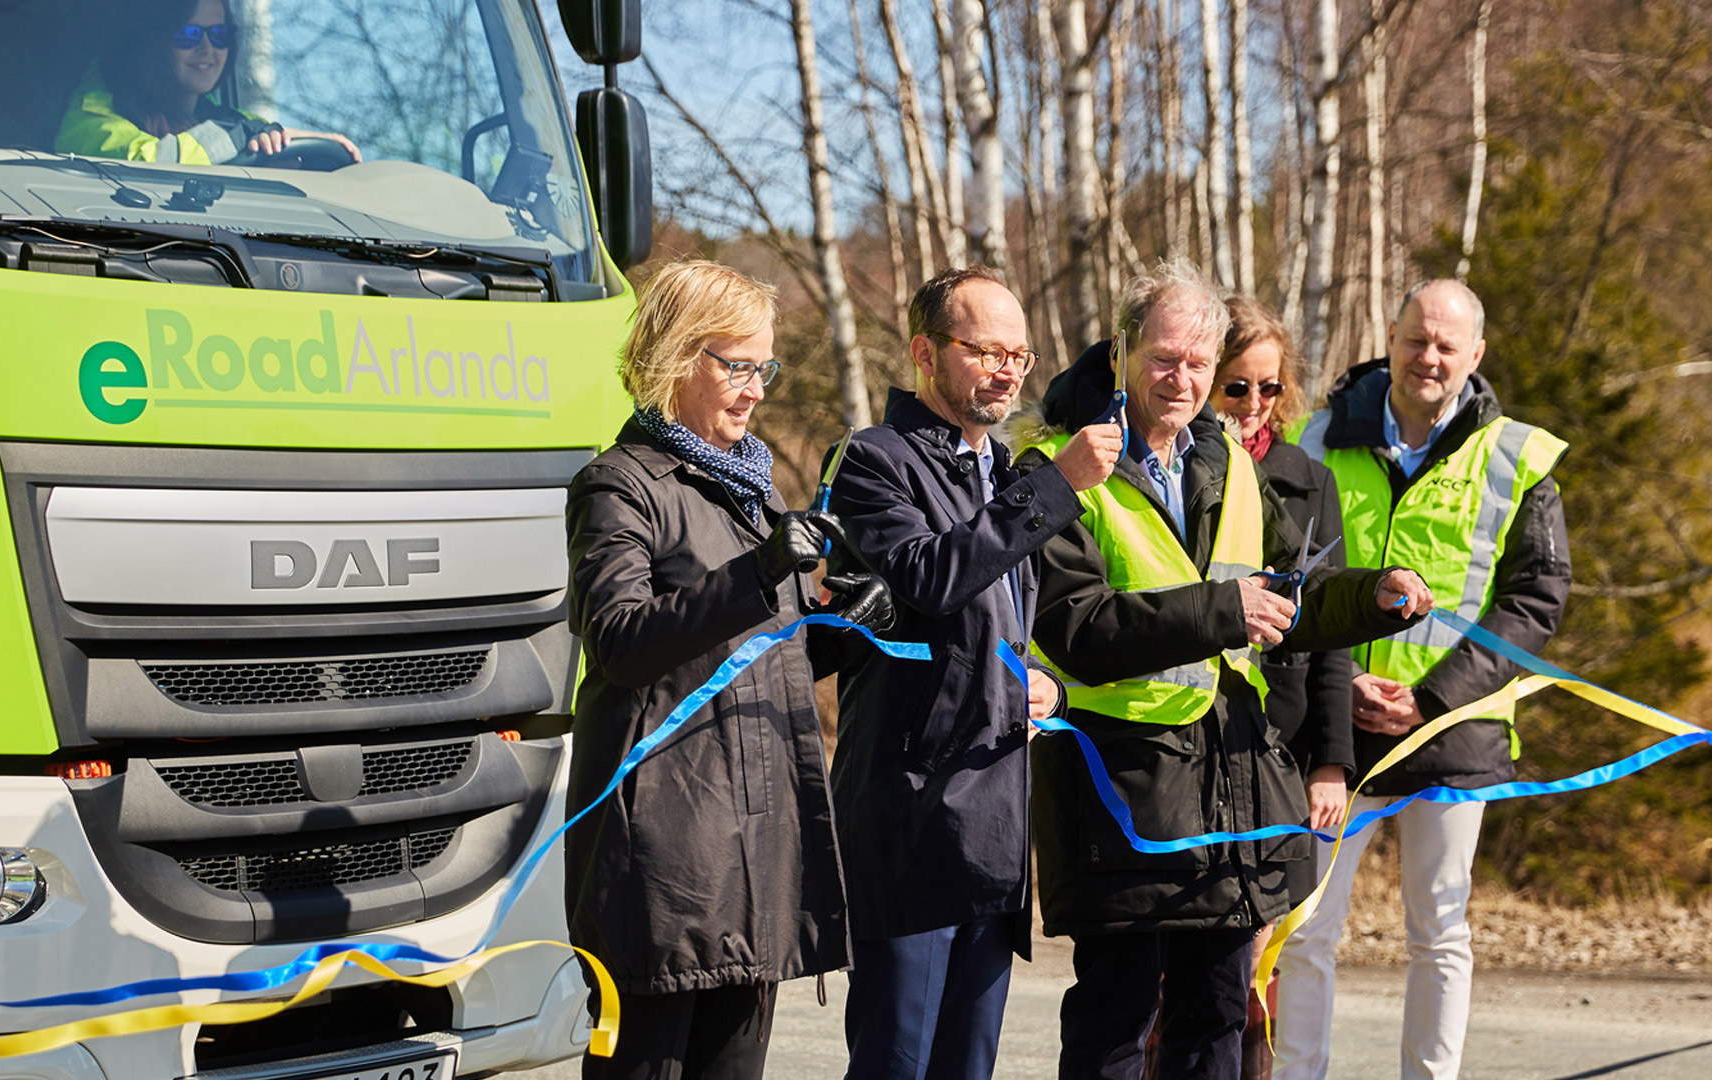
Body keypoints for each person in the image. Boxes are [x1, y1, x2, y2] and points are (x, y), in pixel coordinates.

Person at [1016, 258, 1435, 1080]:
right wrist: (1223, 611)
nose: (1182, 380)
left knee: (1215, 1025)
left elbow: (1290, 596)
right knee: (1115, 1028)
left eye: (1198, 363)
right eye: (1164, 359)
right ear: (1122, 355)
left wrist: (1373, 597)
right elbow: (1075, 627)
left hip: (1231, 793)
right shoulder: (1057, 470)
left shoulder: (1231, 465)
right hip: (1121, 802)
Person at [564, 258, 894, 1080]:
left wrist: (846, 632)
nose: (755, 390)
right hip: (664, 866)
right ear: (675, 357)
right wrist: (757, 574)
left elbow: (756, 659)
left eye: (764, 367)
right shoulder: (618, 485)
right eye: (736, 365)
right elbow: (620, 638)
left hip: (759, 856)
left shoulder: (747, 489)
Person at [824, 266, 1124, 1080]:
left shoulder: (1006, 472)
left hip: (994, 821)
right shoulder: (870, 461)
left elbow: (1021, 628)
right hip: (912, 816)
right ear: (926, 352)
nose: (1004, 371)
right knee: (897, 1062)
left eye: (1019, 356)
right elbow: (929, 577)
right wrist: (1056, 486)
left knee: (969, 1067)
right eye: (984, 349)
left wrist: (1048, 684)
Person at [1272, 279, 1571, 1080]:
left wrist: (1434, 698)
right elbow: (1291, 576)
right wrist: (1344, 686)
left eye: (1446, 345)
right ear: (1392, 337)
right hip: (1339, 728)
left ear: (1475, 356)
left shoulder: (1518, 455)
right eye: (1416, 339)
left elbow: (1535, 599)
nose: (1428, 357)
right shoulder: (1320, 434)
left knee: (1438, 933)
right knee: (1304, 929)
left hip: (1453, 729)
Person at [1215, 297, 1353, 1080]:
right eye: (1238, 387)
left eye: (1270, 389)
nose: (1254, 406)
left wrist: (1331, 760)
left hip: (1284, 746)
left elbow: (1332, 625)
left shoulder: (1310, 480)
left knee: (1255, 966)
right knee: (1189, 973)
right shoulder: (1170, 469)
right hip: (1194, 745)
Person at [55, 0, 360, 165]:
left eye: (219, 35)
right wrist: (247, 135)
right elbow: (152, 162)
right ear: (156, 44)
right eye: (188, 35)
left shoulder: (226, 121)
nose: (207, 49)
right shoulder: (92, 112)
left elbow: (250, 131)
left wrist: (312, 142)